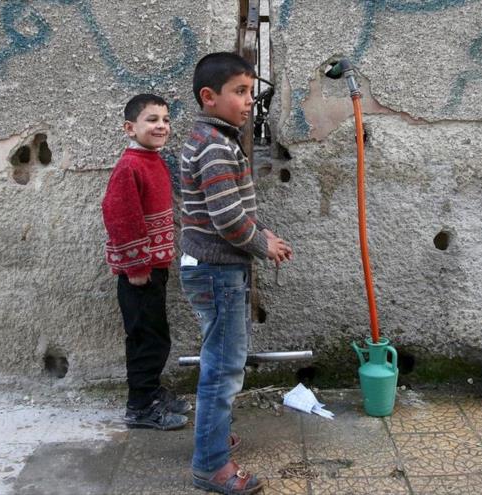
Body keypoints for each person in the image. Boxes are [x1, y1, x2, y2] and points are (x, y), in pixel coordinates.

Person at [179, 52, 292, 493]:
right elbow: (228, 220)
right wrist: (262, 244)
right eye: (240, 92)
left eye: (250, 91)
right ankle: (211, 466)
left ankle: (212, 436)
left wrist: (263, 232)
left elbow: (236, 210)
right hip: (217, 271)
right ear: (209, 97)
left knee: (218, 362)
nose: (249, 102)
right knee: (224, 370)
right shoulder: (214, 146)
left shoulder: (215, 138)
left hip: (212, 268)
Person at [102, 94, 191, 430]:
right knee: (144, 338)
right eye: (152, 120)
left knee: (156, 335)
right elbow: (120, 217)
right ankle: (140, 407)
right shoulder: (130, 167)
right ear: (130, 128)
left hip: (154, 267)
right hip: (139, 272)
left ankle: (151, 392)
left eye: (166, 120)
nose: (161, 126)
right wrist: (137, 266)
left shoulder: (154, 160)